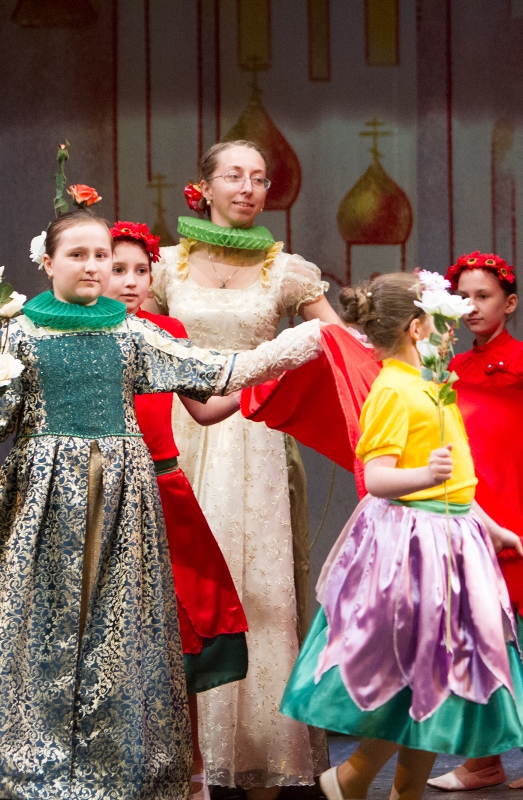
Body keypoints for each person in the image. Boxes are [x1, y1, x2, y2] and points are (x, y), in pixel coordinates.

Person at [0, 210, 325, 800]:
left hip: (123, 504)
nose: (94, 266)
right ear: (47, 263)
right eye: (78, 255)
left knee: (122, 632)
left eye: (101, 255)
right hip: (46, 503)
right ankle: (35, 769)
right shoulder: (18, 335)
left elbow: (219, 371)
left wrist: (297, 344)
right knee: (41, 628)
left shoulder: (133, 334)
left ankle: (120, 770)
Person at [279, 271, 523, 800]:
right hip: (415, 545)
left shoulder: (432, 385)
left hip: (454, 538)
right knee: (417, 676)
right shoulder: (393, 390)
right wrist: (424, 475)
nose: (451, 332)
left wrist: (490, 526)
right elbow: (377, 477)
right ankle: (349, 780)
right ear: (417, 328)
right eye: (441, 322)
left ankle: (398, 791)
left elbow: (458, 480)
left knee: (439, 681)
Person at [143, 140, 341, 796]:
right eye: (234, 175)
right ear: (204, 186)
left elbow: (338, 343)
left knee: (261, 591)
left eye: (259, 178)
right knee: (185, 592)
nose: (248, 187)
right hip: (180, 434)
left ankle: (264, 757)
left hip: (256, 444)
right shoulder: (165, 267)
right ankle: (188, 761)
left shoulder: (287, 272)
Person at [106, 221, 254, 800]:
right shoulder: (75, 337)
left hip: (164, 489)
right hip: (105, 497)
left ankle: (191, 772)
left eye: (141, 270)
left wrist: (263, 383)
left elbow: (204, 407)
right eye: (117, 268)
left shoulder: (166, 332)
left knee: (181, 630)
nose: (130, 281)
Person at [428, 251, 523, 791]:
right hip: (472, 510)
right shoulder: (453, 366)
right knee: (480, 635)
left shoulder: (520, 356)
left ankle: (499, 758)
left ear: (509, 303)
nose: (471, 307)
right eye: (463, 298)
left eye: (484, 296)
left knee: (505, 637)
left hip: (513, 514)